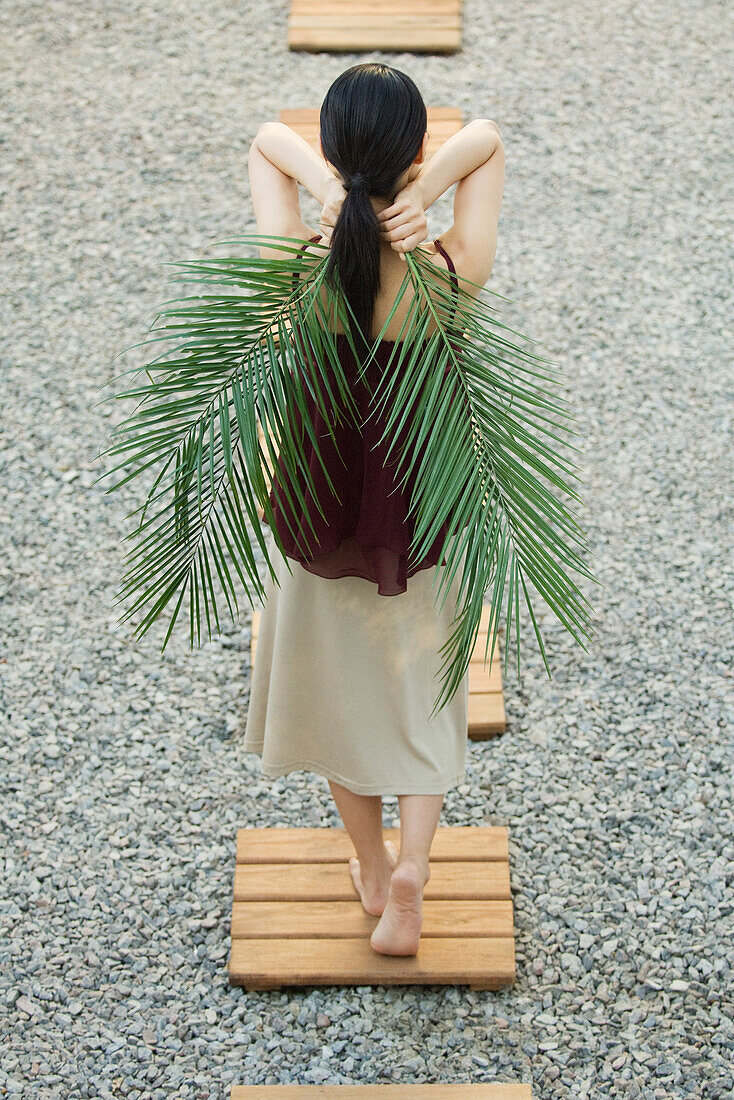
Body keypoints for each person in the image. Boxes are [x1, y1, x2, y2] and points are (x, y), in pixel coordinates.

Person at [242, 62, 504, 956]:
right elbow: (491, 139)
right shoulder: (446, 271)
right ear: (416, 149)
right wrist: (417, 196)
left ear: (332, 149)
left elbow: (264, 143)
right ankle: (415, 869)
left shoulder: (296, 266)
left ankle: (366, 862)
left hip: (318, 512)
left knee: (334, 693)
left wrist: (329, 189)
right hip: (422, 516)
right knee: (424, 693)